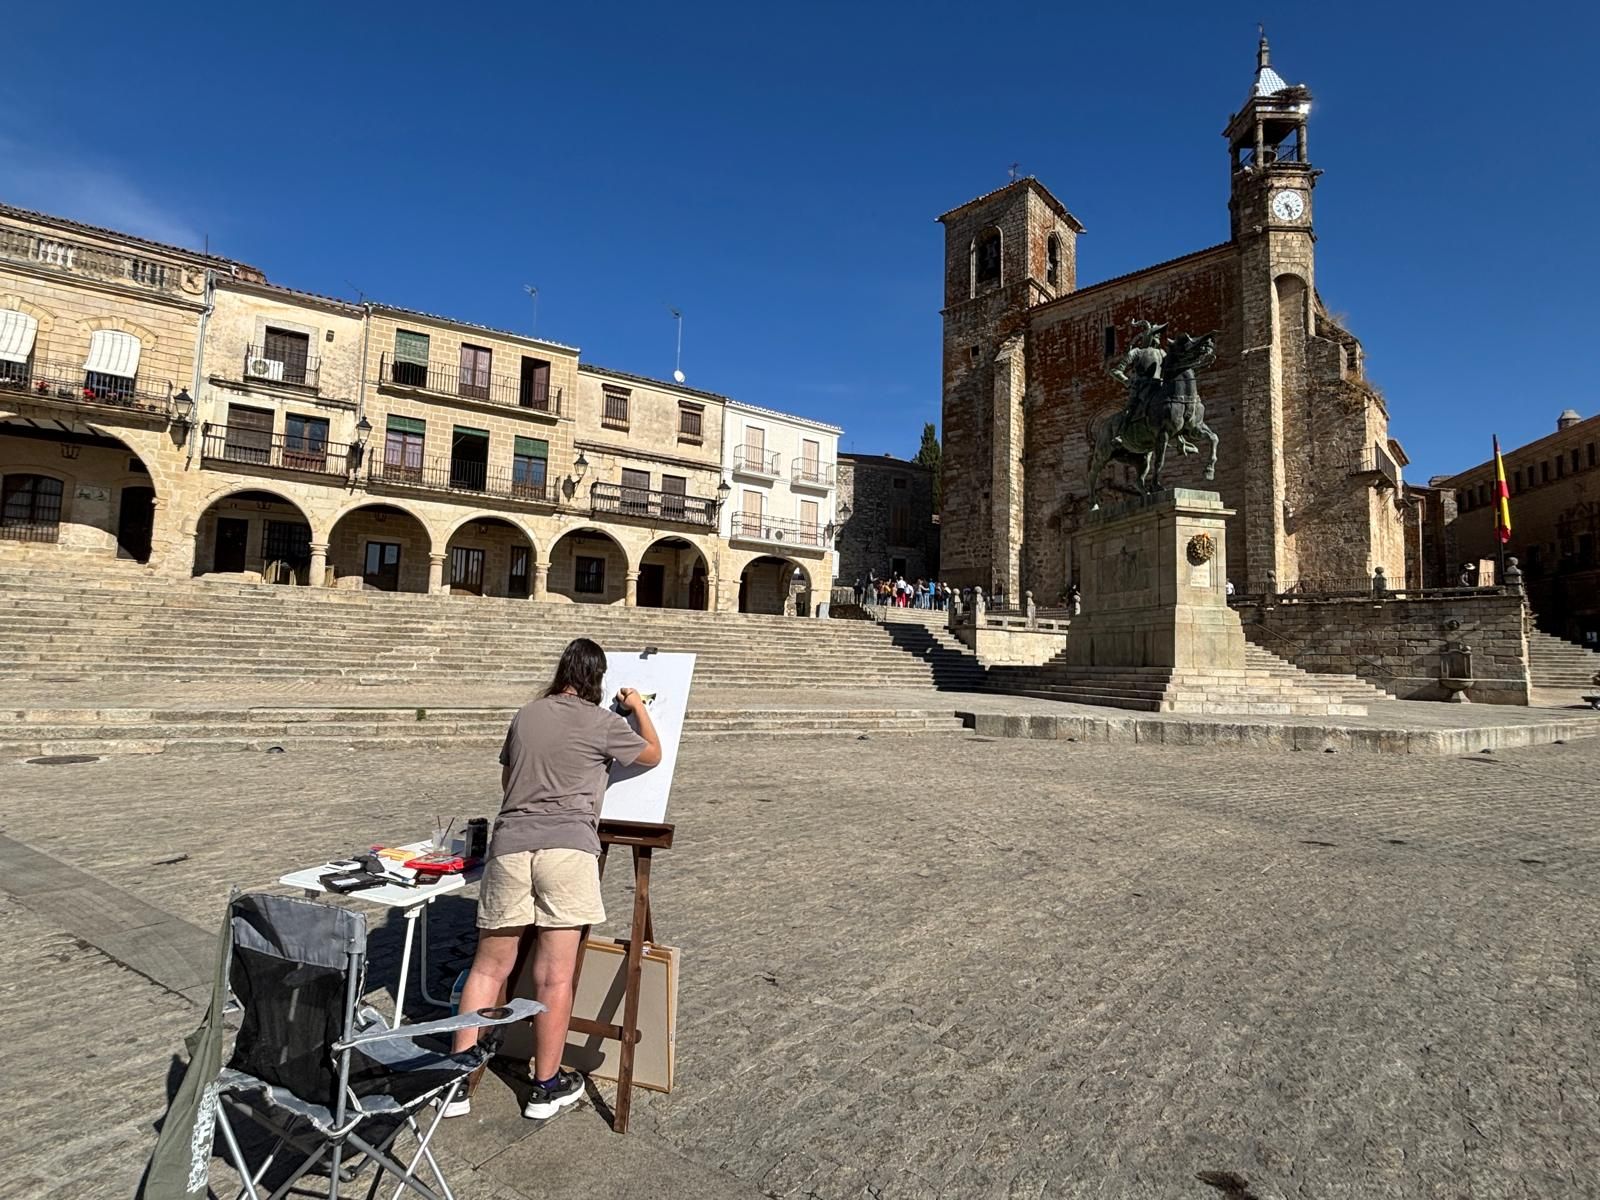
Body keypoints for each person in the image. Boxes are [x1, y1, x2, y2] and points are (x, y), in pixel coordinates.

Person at [446, 637, 662, 1120]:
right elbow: (651, 754)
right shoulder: (602, 720)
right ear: (597, 680)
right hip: (567, 849)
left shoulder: (526, 715)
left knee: (487, 969)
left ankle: (457, 1083)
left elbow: (508, 782)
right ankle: (545, 1084)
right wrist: (635, 707)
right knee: (554, 976)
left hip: (510, 846)